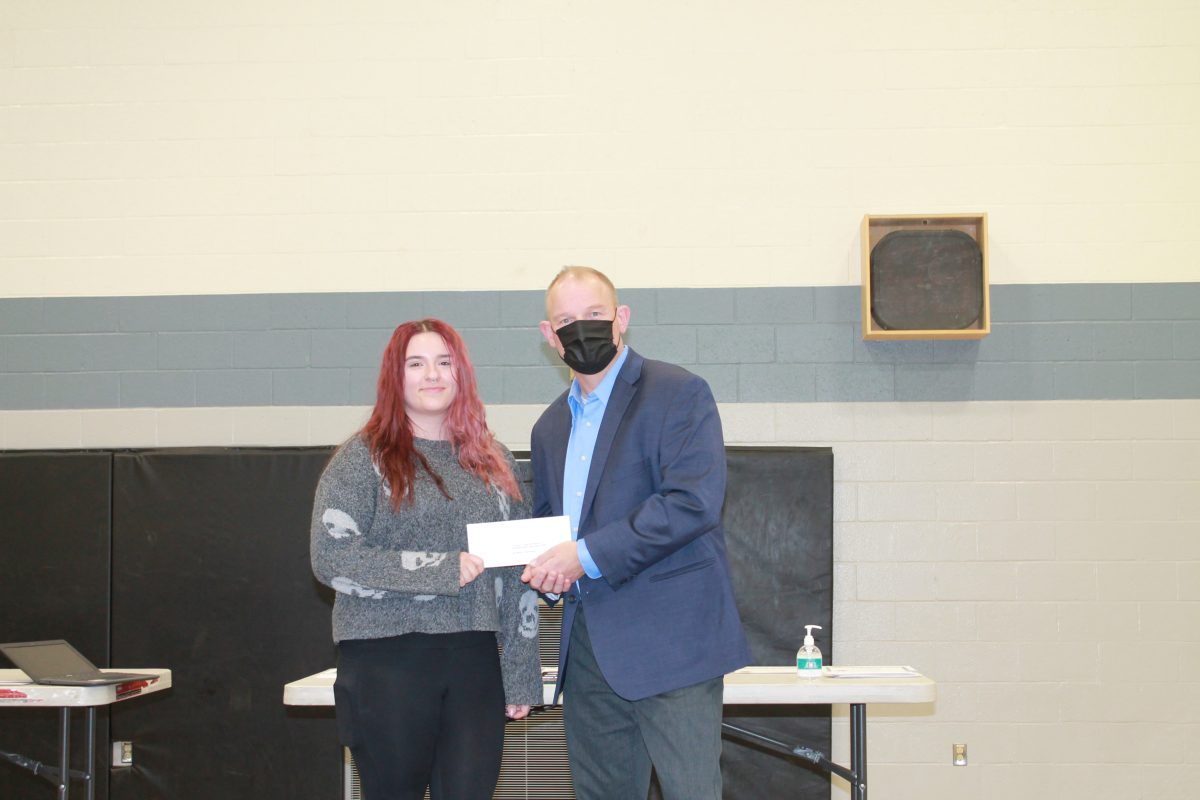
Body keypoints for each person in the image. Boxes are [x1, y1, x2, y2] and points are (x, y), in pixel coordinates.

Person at [522, 267, 752, 800]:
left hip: (673, 644)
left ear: (621, 318)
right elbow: (550, 529)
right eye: (566, 320)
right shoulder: (549, 428)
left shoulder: (678, 393)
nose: (581, 329)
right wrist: (541, 569)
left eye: (594, 315)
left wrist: (583, 556)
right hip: (588, 652)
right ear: (549, 335)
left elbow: (692, 504)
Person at [311, 318, 541, 800]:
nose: (432, 374)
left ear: (462, 374)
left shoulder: (494, 460)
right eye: (416, 364)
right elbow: (331, 557)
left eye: (444, 362)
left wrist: (521, 673)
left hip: (475, 661)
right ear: (395, 377)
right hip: (385, 660)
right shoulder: (362, 457)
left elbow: (517, 573)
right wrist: (438, 569)